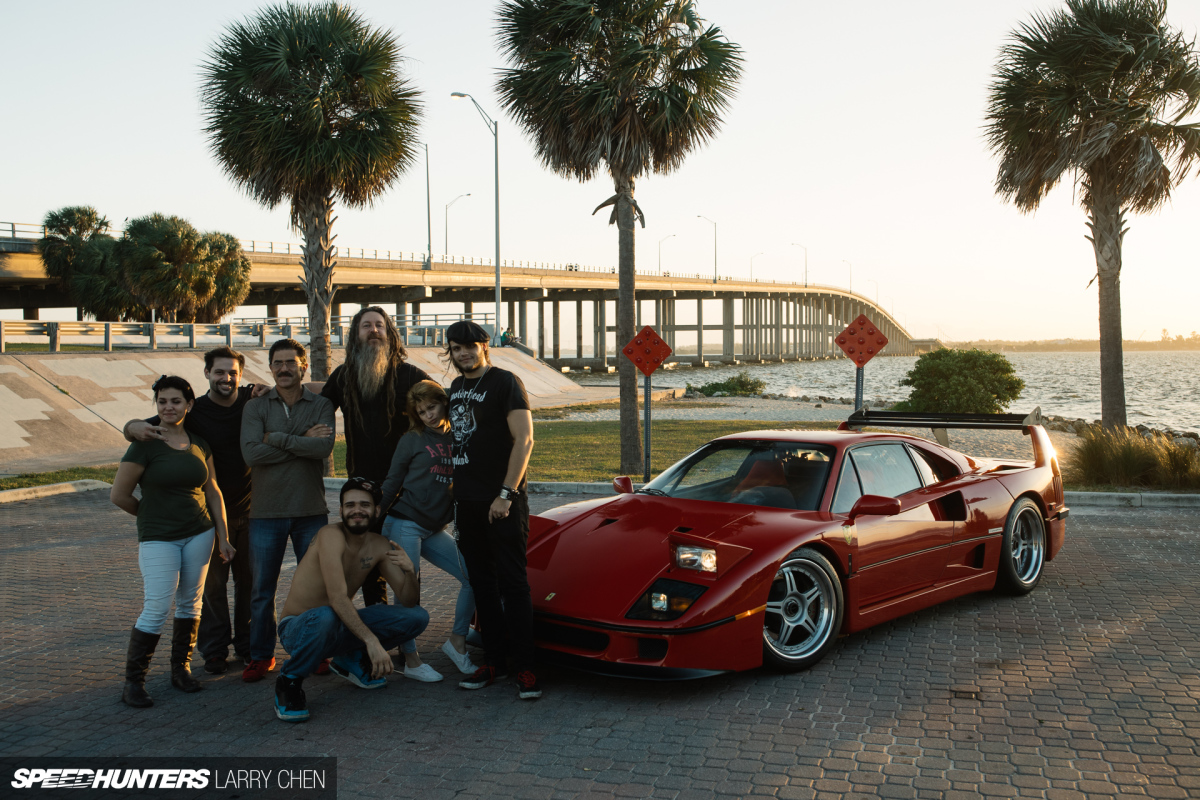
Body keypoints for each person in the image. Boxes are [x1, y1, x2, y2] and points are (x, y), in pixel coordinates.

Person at [122, 346, 256, 675]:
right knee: (209, 591)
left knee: (249, 585)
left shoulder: (253, 403)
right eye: (219, 371)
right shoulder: (193, 412)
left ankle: (249, 647)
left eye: (232, 372)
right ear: (207, 373)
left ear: (241, 374)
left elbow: (301, 394)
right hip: (205, 520)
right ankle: (213, 651)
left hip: (251, 511)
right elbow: (146, 425)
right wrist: (130, 425)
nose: (226, 377)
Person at [110, 375, 236, 708]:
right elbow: (119, 495)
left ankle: (180, 670)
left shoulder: (199, 442)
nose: (169, 407)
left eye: (176, 401)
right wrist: (150, 516)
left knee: (190, 604)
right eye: (162, 401)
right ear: (157, 405)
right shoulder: (144, 443)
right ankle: (133, 682)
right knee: (156, 607)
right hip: (158, 539)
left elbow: (212, 490)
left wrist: (223, 536)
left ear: (189, 405)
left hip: (200, 533)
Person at [272, 478, 430, 722]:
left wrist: (410, 573)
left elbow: (409, 601)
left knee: (417, 617)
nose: (357, 510)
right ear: (341, 510)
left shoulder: (378, 545)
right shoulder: (330, 535)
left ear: (376, 510)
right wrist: (371, 642)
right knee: (326, 614)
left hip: (335, 623)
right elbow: (336, 597)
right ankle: (289, 679)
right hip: (299, 628)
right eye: (350, 505)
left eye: (365, 505)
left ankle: (349, 659)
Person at [443, 320, 539, 699]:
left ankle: (526, 666)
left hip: (502, 501)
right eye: (455, 348)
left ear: (485, 346)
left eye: (469, 346)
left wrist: (505, 494)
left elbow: (525, 439)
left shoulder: (505, 382)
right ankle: (495, 661)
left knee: (513, 584)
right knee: (482, 584)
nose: (463, 353)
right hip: (466, 502)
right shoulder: (455, 387)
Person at [319, 306, 431, 606]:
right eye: (366, 326)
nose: (374, 331)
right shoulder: (344, 376)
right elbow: (316, 406)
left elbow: (440, 410)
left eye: (380, 325)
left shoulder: (410, 375)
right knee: (368, 566)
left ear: (390, 334)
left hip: (406, 491)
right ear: (356, 335)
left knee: (404, 562)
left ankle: (406, 631)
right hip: (362, 489)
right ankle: (378, 635)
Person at [240, 338, 335, 683]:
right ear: (270, 368)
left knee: (315, 587)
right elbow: (251, 455)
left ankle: (317, 651)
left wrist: (275, 438)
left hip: (311, 510)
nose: (283, 369)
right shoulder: (256, 407)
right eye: (277, 363)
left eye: (290, 363)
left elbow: (323, 448)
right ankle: (261, 656)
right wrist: (301, 440)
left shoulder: (322, 404)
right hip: (265, 513)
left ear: (303, 366)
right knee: (262, 591)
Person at [379, 380, 476, 683]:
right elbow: (392, 481)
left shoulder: (459, 436)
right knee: (408, 591)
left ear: (444, 403)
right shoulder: (412, 439)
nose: (428, 416)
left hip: (434, 527)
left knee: (471, 576)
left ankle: (457, 642)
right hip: (405, 522)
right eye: (421, 412)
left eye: (431, 408)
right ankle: (410, 659)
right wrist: (373, 521)